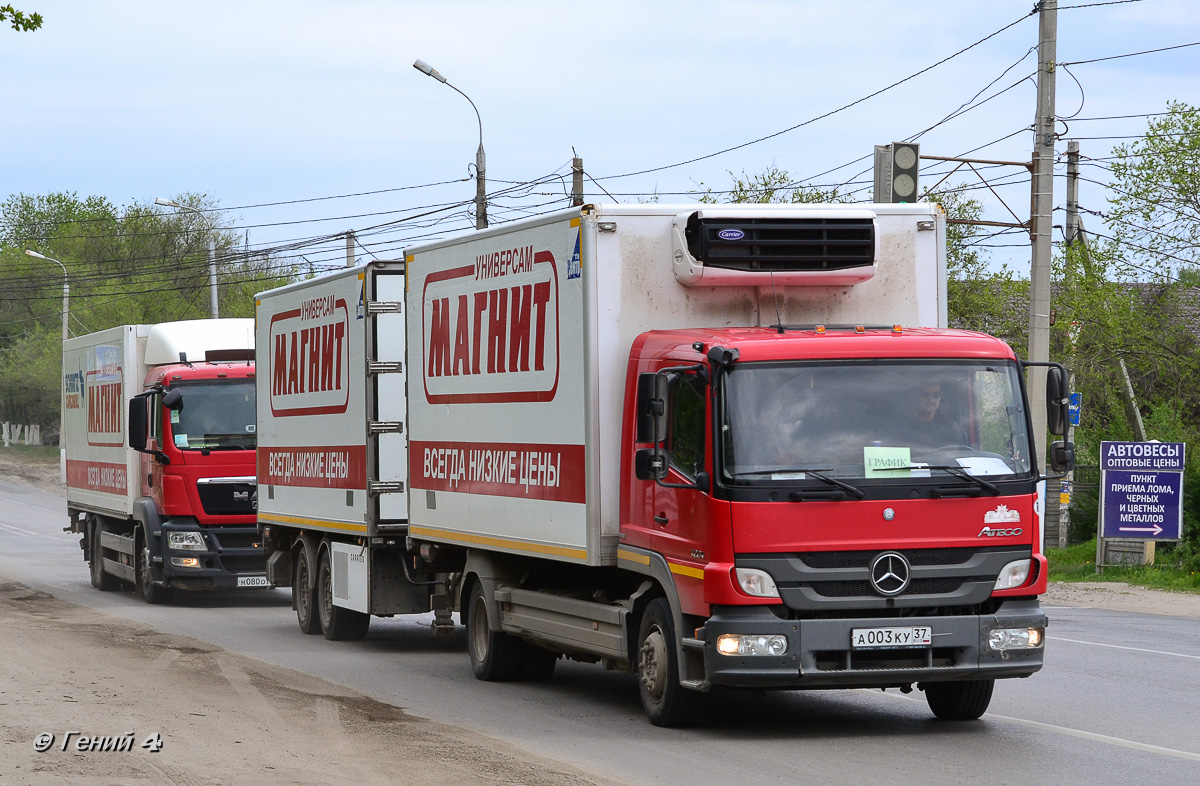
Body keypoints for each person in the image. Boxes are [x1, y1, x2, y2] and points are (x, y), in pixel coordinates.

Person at [903, 382, 966, 452]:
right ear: (917, 396)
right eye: (925, 395)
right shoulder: (904, 426)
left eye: (936, 395)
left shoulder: (951, 427)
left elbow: (957, 456)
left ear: (940, 398)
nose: (931, 400)